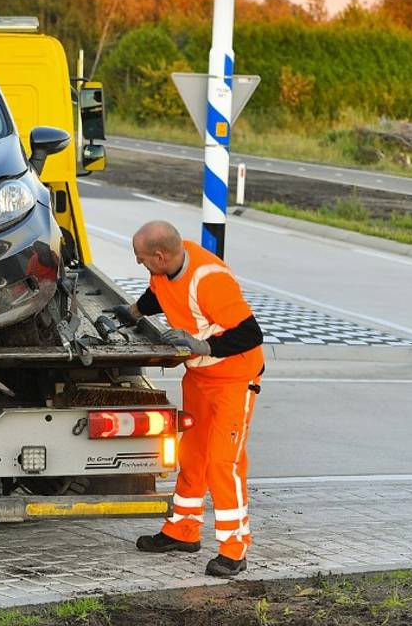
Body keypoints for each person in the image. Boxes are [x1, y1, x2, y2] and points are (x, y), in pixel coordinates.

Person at [108, 220, 265, 578]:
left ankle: (234, 549)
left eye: (142, 258)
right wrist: (132, 313)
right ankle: (182, 530)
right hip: (200, 376)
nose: (139, 263)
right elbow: (158, 294)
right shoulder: (166, 270)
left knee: (223, 463)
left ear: (160, 256)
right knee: (192, 456)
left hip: (235, 379)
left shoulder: (210, 279)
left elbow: (250, 334)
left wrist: (202, 345)